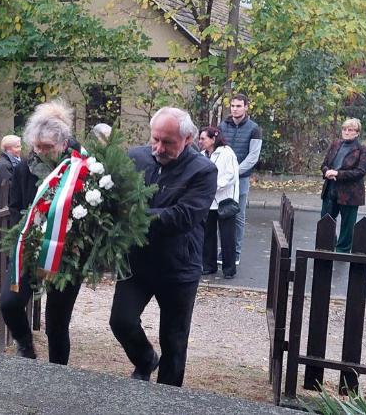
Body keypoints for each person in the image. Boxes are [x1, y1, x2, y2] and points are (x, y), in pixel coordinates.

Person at [109, 107, 217, 386]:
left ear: (189, 139)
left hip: (178, 267)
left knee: (174, 340)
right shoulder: (135, 158)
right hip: (137, 262)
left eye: (168, 142)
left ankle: (168, 398)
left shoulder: (203, 170)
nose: (159, 147)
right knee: (121, 321)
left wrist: (134, 216)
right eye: (155, 139)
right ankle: (145, 360)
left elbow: (184, 216)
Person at [1, 99, 83, 364]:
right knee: (10, 302)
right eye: (36, 146)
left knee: (57, 322)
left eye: (47, 147)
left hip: (66, 250)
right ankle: (25, 345)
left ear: (62, 143)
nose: (40, 151)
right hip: (30, 243)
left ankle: (58, 372)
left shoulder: (80, 168)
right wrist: (26, 231)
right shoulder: (26, 166)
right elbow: (15, 204)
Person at [218, 94, 262, 265]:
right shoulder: (223, 126)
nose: (235, 109)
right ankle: (224, 251)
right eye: (233, 105)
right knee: (222, 213)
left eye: (239, 106)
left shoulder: (254, 128)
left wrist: (235, 172)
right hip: (223, 179)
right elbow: (218, 149)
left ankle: (235, 252)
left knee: (237, 216)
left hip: (241, 179)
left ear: (246, 107)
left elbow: (253, 156)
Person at [319, 118, 366, 254]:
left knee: (347, 226)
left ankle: (342, 251)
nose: (347, 132)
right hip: (330, 188)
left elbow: (360, 172)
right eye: (344, 129)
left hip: (350, 194)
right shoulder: (335, 144)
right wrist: (327, 172)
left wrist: (338, 173)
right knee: (326, 220)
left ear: (357, 132)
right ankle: (327, 247)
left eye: (350, 130)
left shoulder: (362, 150)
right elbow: (324, 164)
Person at [198, 126, 240, 278]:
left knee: (227, 236)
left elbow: (231, 175)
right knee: (208, 235)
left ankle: (229, 269)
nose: (200, 141)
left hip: (224, 200)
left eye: (203, 138)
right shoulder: (202, 155)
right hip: (208, 201)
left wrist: (214, 185)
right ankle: (209, 265)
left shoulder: (226, 152)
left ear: (213, 139)